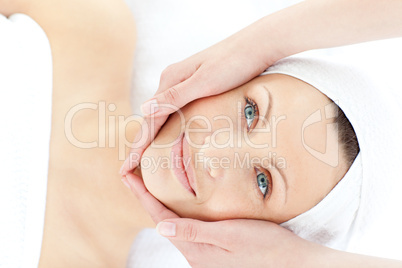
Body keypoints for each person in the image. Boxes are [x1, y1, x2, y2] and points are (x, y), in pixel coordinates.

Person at [120, 0, 402, 267]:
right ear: (239, 75)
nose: (212, 152)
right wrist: (263, 41)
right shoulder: (99, 27)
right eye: (250, 112)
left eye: (263, 181)